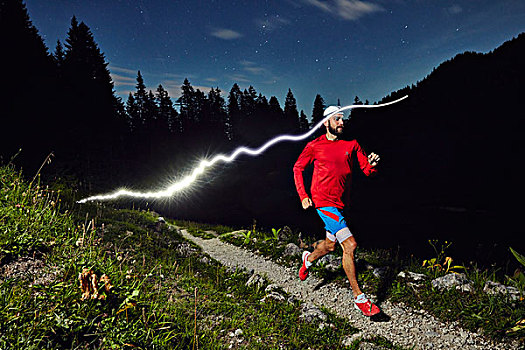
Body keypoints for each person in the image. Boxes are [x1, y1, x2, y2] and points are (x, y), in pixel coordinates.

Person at [293, 105, 381, 316]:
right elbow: (298, 168)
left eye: (343, 119)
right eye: (337, 119)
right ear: (326, 123)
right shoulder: (314, 146)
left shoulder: (352, 145)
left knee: (330, 246)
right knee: (350, 245)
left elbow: (366, 171)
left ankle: (308, 259)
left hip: (342, 204)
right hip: (323, 202)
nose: (342, 122)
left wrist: (373, 164)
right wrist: (303, 196)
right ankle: (359, 299)